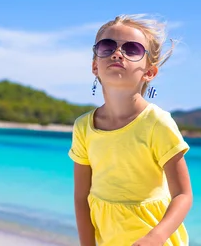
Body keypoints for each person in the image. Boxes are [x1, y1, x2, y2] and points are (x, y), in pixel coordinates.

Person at [68, 14, 193, 246]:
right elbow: (81, 198)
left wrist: (154, 238)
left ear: (149, 72)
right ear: (95, 66)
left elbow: (183, 195)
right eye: (107, 46)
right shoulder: (84, 127)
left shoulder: (157, 123)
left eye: (132, 49)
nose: (117, 53)